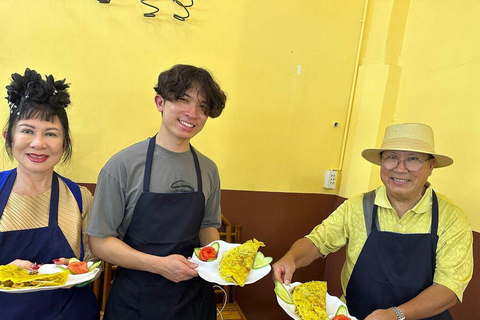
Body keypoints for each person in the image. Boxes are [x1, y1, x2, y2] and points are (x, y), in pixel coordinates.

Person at [273, 123, 473, 320]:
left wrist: (395, 315)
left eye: (413, 159)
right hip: (355, 316)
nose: (400, 169)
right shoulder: (357, 207)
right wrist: (291, 258)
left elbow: (448, 288)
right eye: (392, 158)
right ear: (381, 162)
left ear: (431, 166)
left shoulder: (451, 219)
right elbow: (318, 242)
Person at [87, 64, 227, 320]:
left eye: (203, 106)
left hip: (194, 302)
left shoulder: (208, 169)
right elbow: (99, 242)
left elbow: (207, 227)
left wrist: (220, 261)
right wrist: (160, 266)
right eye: (183, 100)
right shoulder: (122, 165)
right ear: (160, 102)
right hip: (136, 302)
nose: (192, 113)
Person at [0, 68, 100, 319]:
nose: (38, 143)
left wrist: (76, 271)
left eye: (51, 134)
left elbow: (92, 264)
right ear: (9, 137)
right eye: (27, 130)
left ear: (65, 143)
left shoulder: (80, 198)